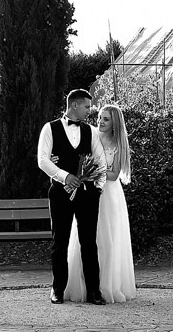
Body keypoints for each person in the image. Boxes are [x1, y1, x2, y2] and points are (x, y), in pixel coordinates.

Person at [36, 89, 106, 305]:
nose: (89, 110)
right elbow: (42, 160)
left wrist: (98, 188)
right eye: (87, 106)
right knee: (60, 242)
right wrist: (64, 176)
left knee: (89, 242)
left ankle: (94, 291)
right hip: (60, 193)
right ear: (74, 105)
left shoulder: (91, 131)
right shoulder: (49, 128)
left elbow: (101, 161)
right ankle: (57, 289)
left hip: (87, 194)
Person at [65, 104, 136, 303]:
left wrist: (96, 171)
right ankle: (82, 285)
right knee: (84, 237)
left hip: (108, 195)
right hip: (87, 191)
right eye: (99, 118)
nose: (100, 122)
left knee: (106, 240)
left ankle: (105, 286)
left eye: (106, 119)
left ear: (114, 123)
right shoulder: (91, 136)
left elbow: (113, 175)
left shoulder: (118, 145)